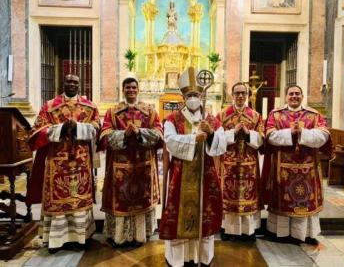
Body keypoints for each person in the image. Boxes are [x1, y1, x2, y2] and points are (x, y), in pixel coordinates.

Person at [159, 67, 226, 267]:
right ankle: (178, 259)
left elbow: (221, 145)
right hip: (181, 175)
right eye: (189, 95)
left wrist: (212, 134)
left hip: (205, 176)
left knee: (205, 214)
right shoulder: (173, 119)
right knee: (178, 215)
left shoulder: (212, 120)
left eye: (196, 94)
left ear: (202, 95)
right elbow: (170, 141)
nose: (193, 98)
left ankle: (202, 257)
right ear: (183, 96)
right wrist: (194, 138)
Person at [27, 74, 100, 253]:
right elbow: (38, 131)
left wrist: (78, 127)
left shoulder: (89, 107)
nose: (72, 84)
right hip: (56, 162)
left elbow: (97, 128)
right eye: (68, 81)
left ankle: (80, 238)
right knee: (58, 198)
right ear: (63, 83)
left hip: (81, 162)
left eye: (75, 82)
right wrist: (61, 128)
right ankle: (56, 241)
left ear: (79, 84)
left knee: (78, 200)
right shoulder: (50, 106)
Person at [262, 84, 331, 245]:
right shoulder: (276, 114)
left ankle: (304, 234)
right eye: (291, 93)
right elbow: (269, 135)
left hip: (308, 170)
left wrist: (303, 133)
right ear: (286, 96)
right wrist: (289, 133)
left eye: (297, 94)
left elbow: (324, 135)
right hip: (282, 168)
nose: (294, 96)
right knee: (283, 201)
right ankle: (281, 233)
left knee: (305, 201)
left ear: (302, 96)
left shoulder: (313, 115)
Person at [98, 77, 162, 247]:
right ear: (123, 89)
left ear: (138, 89)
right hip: (120, 166)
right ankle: (120, 236)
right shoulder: (113, 112)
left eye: (134, 87)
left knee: (141, 199)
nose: (131, 90)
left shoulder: (150, 111)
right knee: (122, 200)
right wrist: (123, 135)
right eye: (128, 87)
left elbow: (159, 133)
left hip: (143, 166)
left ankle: (141, 235)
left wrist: (140, 132)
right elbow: (104, 136)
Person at [216, 82, 264, 242]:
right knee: (229, 196)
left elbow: (262, 139)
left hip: (249, 164)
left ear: (248, 95)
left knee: (248, 196)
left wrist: (248, 133)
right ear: (232, 95)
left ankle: (248, 231)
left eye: (243, 93)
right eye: (237, 93)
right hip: (229, 164)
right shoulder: (222, 115)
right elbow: (215, 139)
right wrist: (232, 133)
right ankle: (228, 230)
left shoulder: (256, 116)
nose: (240, 96)